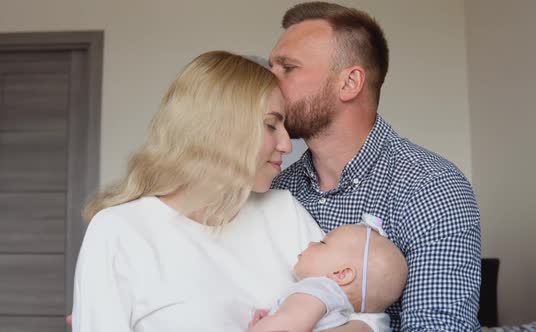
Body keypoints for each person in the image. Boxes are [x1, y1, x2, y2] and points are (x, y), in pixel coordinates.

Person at [71, 50, 390, 331]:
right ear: (220, 128)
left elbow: (367, 315)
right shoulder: (119, 231)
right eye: (270, 125)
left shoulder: (282, 212)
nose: (285, 143)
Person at [269, 2, 482, 330]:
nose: (268, 82)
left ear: (349, 83)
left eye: (288, 68)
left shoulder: (432, 186)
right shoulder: (277, 190)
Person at [248, 215, 408, 332]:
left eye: (322, 242)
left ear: (341, 274)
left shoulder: (320, 288)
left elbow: (286, 324)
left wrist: (269, 323)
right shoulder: (373, 323)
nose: (311, 242)